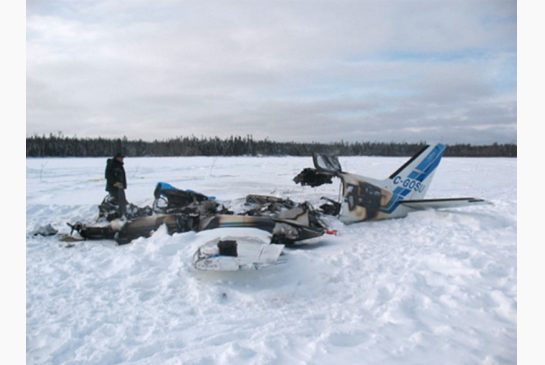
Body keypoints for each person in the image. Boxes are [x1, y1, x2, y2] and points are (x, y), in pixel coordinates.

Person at [105, 152, 128, 218]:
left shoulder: (119, 165)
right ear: (117, 157)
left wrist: (123, 185)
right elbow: (108, 176)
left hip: (120, 188)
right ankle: (119, 217)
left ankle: (123, 215)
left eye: (122, 158)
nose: (122, 159)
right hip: (114, 188)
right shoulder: (112, 164)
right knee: (117, 202)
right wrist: (115, 183)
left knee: (123, 203)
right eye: (121, 157)